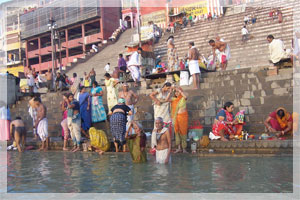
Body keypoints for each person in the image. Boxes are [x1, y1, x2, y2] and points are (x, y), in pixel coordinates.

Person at [171, 87, 188, 153]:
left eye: (177, 91)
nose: (176, 93)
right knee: (177, 132)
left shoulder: (183, 98)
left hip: (183, 117)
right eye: (175, 92)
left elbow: (186, 97)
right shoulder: (173, 99)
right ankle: (179, 148)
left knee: (183, 132)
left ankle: (184, 148)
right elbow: (166, 100)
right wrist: (170, 91)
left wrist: (180, 91)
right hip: (176, 118)